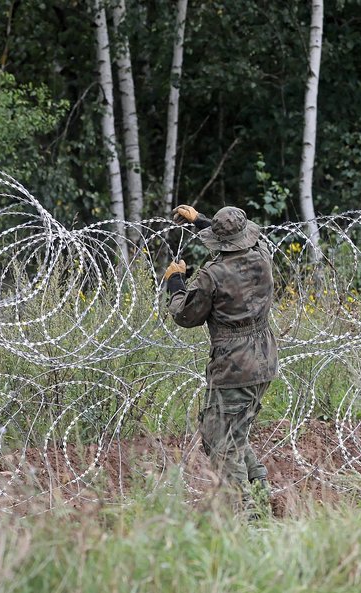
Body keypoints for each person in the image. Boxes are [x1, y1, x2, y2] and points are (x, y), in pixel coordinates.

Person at [163, 205, 278, 517]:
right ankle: (261, 496)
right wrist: (202, 221)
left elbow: (186, 315)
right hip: (264, 358)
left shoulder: (211, 276)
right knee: (235, 434)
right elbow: (254, 238)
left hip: (233, 366)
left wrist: (175, 282)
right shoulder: (262, 256)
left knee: (220, 442)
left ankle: (244, 512)